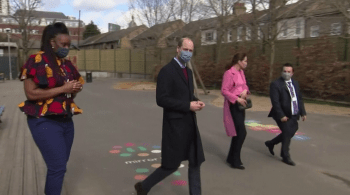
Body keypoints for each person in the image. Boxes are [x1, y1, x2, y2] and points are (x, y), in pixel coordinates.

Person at [18, 22, 85, 195]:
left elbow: (68, 95)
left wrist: (74, 90)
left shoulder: (66, 65)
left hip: (66, 121)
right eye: (63, 44)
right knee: (57, 168)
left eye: (69, 45)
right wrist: (64, 88)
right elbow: (31, 94)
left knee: (60, 165)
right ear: (51, 42)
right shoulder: (36, 60)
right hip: (44, 120)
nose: (67, 48)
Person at [134, 38, 205, 195]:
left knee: (195, 161)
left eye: (191, 51)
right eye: (185, 49)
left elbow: (186, 95)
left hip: (190, 125)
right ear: (178, 49)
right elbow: (162, 99)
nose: (188, 53)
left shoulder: (189, 71)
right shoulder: (167, 71)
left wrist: (196, 102)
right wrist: (187, 106)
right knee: (171, 164)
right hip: (175, 127)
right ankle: (144, 187)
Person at [265, 63, 307, 166]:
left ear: (292, 73)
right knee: (287, 132)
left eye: (289, 72)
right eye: (284, 71)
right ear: (281, 72)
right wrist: (281, 115)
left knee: (293, 130)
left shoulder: (295, 83)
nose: (286, 73)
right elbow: (275, 102)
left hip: (294, 113)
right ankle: (285, 156)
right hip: (282, 114)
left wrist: (303, 112)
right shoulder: (276, 84)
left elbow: (299, 98)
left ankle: (271, 143)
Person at [221, 53, 250, 170]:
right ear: (239, 61)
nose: (246, 63)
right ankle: (235, 160)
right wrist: (237, 98)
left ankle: (231, 157)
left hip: (241, 105)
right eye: (245, 61)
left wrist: (245, 92)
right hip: (233, 105)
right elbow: (224, 90)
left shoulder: (241, 72)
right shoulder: (229, 73)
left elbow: (245, 86)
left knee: (238, 133)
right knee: (242, 132)